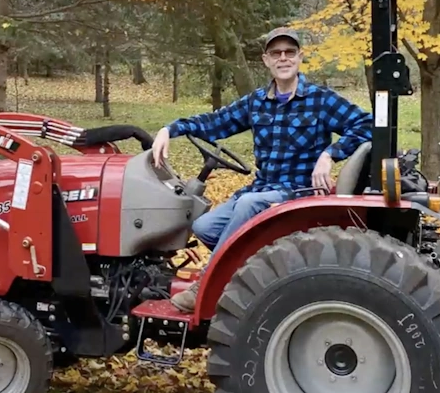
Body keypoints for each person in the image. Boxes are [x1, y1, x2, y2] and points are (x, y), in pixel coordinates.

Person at [151, 26, 374, 312]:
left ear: (299, 57)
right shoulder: (257, 102)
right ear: (267, 60)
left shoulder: (320, 100)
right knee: (203, 225)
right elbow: (215, 123)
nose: (283, 58)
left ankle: (208, 285)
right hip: (264, 188)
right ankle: (254, 274)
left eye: (289, 52)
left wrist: (330, 154)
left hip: (298, 192)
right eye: (276, 53)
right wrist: (170, 129)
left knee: (247, 204)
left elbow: (366, 125)